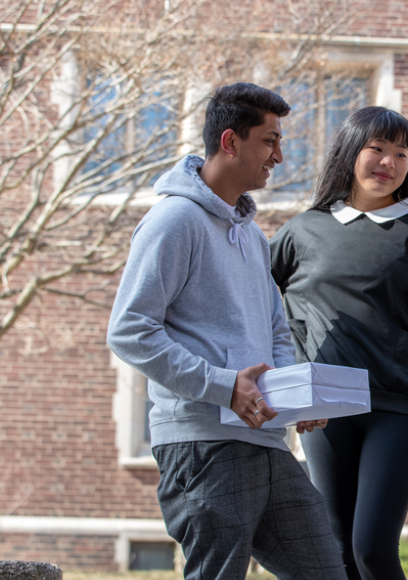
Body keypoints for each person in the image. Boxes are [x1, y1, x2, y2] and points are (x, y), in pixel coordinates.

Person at [107, 82, 345, 580]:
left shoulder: (253, 238)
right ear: (231, 142)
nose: (280, 155)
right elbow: (129, 329)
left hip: (264, 442)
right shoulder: (174, 221)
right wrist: (222, 386)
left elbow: (275, 330)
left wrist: (290, 395)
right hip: (203, 443)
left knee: (325, 568)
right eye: (270, 141)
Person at [269, 107, 408, 580]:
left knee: (372, 548)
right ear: (350, 151)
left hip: (398, 408)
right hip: (325, 408)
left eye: (401, 153)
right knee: (334, 552)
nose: (389, 163)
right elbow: (258, 309)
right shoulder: (301, 231)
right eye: (378, 149)